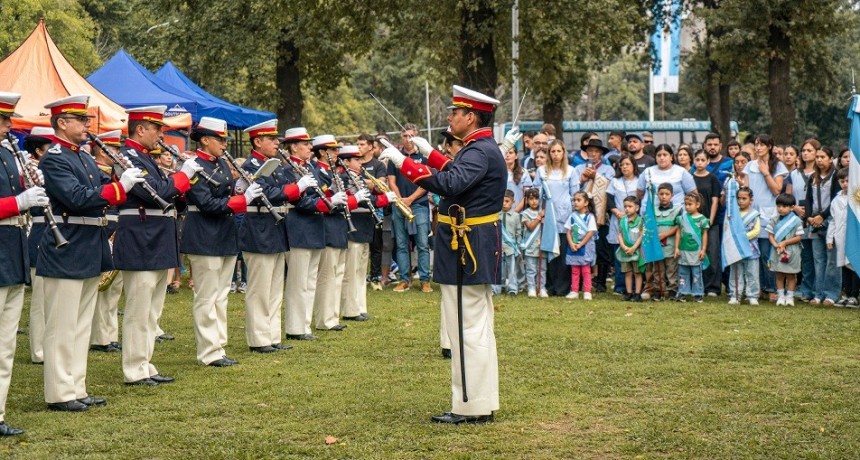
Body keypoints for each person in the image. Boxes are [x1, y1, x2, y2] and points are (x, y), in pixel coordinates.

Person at [380, 84, 504, 424]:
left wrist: (404, 162)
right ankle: (479, 401)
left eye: (455, 113)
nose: (450, 118)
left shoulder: (479, 150)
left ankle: (470, 405)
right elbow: (456, 170)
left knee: (466, 327)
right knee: (474, 325)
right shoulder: (480, 148)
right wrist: (430, 155)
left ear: (471, 117)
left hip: (467, 246)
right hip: (470, 243)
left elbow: (450, 183)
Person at [38, 95, 144, 412]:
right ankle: (59, 393)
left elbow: (98, 192)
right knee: (62, 325)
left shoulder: (83, 157)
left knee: (82, 324)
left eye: (87, 119)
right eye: (81, 120)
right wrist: (120, 187)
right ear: (62, 123)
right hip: (68, 244)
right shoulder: (55, 158)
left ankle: (76, 386)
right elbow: (78, 198)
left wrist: (119, 177)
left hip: (88, 242)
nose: (87, 125)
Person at [181, 117, 262, 367]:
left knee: (221, 295)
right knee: (206, 296)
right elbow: (207, 204)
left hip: (225, 233)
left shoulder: (222, 163)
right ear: (205, 140)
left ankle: (219, 345)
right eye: (220, 139)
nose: (225, 144)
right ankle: (209, 351)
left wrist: (240, 190)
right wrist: (242, 200)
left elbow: (225, 195)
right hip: (204, 234)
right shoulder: (194, 166)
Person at [239, 120, 311, 353]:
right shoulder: (250, 166)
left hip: (276, 227)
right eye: (271, 139)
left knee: (274, 287)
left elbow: (282, 192)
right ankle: (259, 339)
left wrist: (298, 189)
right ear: (258, 141)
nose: (276, 143)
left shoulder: (275, 165)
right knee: (260, 289)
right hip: (259, 226)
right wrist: (296, 188)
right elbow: (268, 193)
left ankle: (272, 335)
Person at [0, 92, 45, 434]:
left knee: (5, 344)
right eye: (3, 119)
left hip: (13, 249)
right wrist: (19, 202)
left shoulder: (7, 154)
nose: (9, 125)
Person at [282, 127, 340, 341]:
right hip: (299, 226)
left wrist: (330, 195)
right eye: (305, 144)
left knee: (309, 281)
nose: (310, 147)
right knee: (298, 282)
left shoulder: (309, 168)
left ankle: (304, 325)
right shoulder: (287, 169)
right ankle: (295, 327)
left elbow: (318, 194)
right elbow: (298, 200)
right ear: (294, 147)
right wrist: (327, 203)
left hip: (314, 225)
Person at [339, 145, 393, 321]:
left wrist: (382, 194)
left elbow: (369, 199)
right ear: (346, 162)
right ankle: (350, 309)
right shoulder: (343, 179)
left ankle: (360, 306)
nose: (360, 163)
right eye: (356, 160)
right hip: (353, 227)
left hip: (364, 226)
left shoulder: (359, 178)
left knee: (361, 271)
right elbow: (363, 201)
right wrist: (384, 199)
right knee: (351, 272)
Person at [88, 131, 123, 354]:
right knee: (102, 288)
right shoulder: (97, 172)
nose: (118, 153)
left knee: (114, 289)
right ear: (102, 150)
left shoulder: (113, 173)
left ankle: (110, 334)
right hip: (105, 230)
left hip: (119, 230)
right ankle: (100, 337)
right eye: (114, 149)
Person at [23, 126, 55, 366]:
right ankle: (38, 349)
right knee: (41, 299)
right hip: (40, 230)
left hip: (52, 230)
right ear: (38, 150)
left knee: (52, 297)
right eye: (50, 146)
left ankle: (49, 345)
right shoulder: (32, 168)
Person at [387, 123, 432, 293]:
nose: (408, 139)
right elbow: (391, 181)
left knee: (423, 244)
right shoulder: (395, 157)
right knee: (401, 244)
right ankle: (404, 279)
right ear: (401, 137)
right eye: (405, 136)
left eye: (411, 136)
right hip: (399, 205)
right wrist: (401, 201)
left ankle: (425, 280)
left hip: (420, 204)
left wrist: (411, 199)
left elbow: (426, 182)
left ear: (416, 136)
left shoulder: (423, 157)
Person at [532, 139, 579, 297]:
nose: (556, 154)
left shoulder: (571, 171)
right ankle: (549, 285)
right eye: (553, 151)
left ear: (563, 153)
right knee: (549, 250)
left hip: (565, 215)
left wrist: (573, 215)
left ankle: (563, 287)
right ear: (549, 154)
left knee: (563, 251)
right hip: (548, 215)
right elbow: (536, 193)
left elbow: (575, 195)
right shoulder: (542, 171)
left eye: (559, 151)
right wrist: (539, 212)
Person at [744, 134, 788, 301]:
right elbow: (746, 190)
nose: (758, 148)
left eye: (762, 144)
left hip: (768, 215)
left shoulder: (778, 166)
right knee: (753, 254)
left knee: (765, 254)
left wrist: (765, 173)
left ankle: (771, 288)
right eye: (756, 144)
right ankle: (757, 288)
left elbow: (777, 190)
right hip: (751, 214)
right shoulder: (749, 165)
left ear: (769, 147)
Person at [575, 139, 614, 293]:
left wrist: (596, 176)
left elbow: (609, 187)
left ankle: (601, 281)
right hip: (582, 213)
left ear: (601, 154)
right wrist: (582, 180)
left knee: (601, 247)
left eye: (596, 151)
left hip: (600, 213)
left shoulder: (608, 169)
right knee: (581, 244)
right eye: (590, 150)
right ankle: (581, 281)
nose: (593, 153)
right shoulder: (578, 168)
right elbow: (574, 188)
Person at [805, 146, 841, 305]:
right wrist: (809, 217)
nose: (819, 160)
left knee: (832, 260)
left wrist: (823, 216)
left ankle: (831, 294)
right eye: (817, 157)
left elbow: (836, 199)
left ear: (830, 158)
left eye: (823, 157)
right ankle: (818, 293)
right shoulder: (813, 177)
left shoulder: (836, 176)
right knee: (818, 260)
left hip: (830, 220)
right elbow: (808, 199)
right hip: (814, 222)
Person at [786, 139, 818, 301]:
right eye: (804, 150)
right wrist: (795, 207)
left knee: (818, 257)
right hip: (799, 220)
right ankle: (806, 290)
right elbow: (787, 197)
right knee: (805, 258)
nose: (805, 153)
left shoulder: (822, 173)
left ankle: (819, 290)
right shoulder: (794, 174)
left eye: (809, 150)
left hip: (817, 220)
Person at [606, 155, 640, 295]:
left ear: (633, 165)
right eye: (622, 164)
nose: (624, 167)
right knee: (619, 255)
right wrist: (617, 212)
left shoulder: (639, 180)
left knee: (635, 255)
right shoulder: (615, 181)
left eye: (627, 164)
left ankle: (636, 287)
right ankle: (620, 286)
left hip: (635, 221)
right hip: (618, 219)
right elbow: (609, 199)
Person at [359, 133, 387, 291]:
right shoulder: (354, 162)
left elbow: (380, 186)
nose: (359, 147)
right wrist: (371, 183)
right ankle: (359, 276)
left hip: (376, 210)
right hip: (357, 209)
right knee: (359, 246)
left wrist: (361, 181)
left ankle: (375, 277)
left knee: (376, 246)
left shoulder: (378, 165)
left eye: (362, 144)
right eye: (358, 144)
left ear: (370, 146)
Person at [692, 150, 723, 296]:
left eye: (703, 160)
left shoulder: (713, 178)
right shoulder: (690, 178)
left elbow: (715, 201)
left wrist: (710, 220)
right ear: (694, 160)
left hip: (711, 223)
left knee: (712, 253)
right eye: (697, 160)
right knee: (695, 253)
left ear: (708, 162)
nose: (700, 163)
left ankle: (713, 287)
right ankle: (698, 285)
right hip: (693, 222)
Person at [767, 194, 804, 306]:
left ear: (792, 207)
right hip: (777, 250)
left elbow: (798, 237)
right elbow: (770, 235)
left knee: (791, 275)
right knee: (779, 275)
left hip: (792, 251)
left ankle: (790, 297)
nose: (781, 209)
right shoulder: (774, 220)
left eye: (784, 206)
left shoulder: (796, 220)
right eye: (778, 206)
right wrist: (776, 245)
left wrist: (785, 243)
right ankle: (781, 296)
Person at [826, 169, 856, 306]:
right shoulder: (836, 199)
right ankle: (847, 293)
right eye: (842, 181)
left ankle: (854, 295)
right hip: (840, 237)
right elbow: (833, 220)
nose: (845, 184)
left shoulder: (856, 197)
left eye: (848, 181)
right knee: (843, 265)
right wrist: (829, 238)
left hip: (854, 237)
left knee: (854, 265)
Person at [727, 187, 761, 305]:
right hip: (736, 249)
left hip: (751, 249)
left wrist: (742, 237)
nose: (740, 201)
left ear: (751, 200)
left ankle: (752, 296)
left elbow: (756, 230)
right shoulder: (733, 214)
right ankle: (735, 295)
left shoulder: (755, 214)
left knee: (752, 273)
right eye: (739, 198)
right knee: (736, 272)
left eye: (744, 198)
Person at [674, 192, 709, 303]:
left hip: (696, 252)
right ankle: (682, 292)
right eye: (686, 204)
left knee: (696, 273)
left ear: (697, 205)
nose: (687, 207)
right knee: (683, 273)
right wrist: (676, 248)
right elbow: (678, 233)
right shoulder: (681, 218)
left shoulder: (702, 219)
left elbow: (704, 235)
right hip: (683, 251)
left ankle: (698, 293)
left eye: (690, 204)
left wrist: (703, 249)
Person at [564, 191, 597, 300]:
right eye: (574, 200)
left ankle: (587, 291)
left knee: (586, 270)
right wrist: (571, 243)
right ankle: (574, 290)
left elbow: (590, 232)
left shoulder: (590, 217)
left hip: (585, 247)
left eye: (579, 200)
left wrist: (581, 244)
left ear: (586, 202)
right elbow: (568, 231)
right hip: (573, 246)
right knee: (574, 270)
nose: (576, 202)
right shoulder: (572, 216)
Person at [616, 196, 644, 301]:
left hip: (636, 251)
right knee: (627, 272)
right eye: (625, 206)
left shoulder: (640, 221)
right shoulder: (622, 220)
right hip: (625, 251)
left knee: (637, 272)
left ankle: (637, 293)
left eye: (630, 206)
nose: (627, 209)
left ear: (637, 208)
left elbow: (641, 235)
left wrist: (634, 247)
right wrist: (623, 246)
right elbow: (619, 234)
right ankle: (628, 293)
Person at [494, 190, 521, 295]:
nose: (504, 203)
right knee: (498, 269)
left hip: (511, 248)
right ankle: (496, 289)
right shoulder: (496, 215)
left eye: (507, 201)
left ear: (513, 202)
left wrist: (517, 245)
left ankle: (512, 289)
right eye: (502, 201)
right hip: (499, 247)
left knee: (512, 270)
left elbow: (518, 232)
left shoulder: (516, 216)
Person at [521, 188, 545, 298]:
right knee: (531, 269)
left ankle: (541, 288)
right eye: (531, 199)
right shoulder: (525, 213)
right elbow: (530, 227)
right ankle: (531, 288)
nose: (534, 201)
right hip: (530, 246)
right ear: (527, 200)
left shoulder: (545, 212)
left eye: (536, 198)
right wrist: (539, 217)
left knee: (542, 269)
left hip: (542, 245)